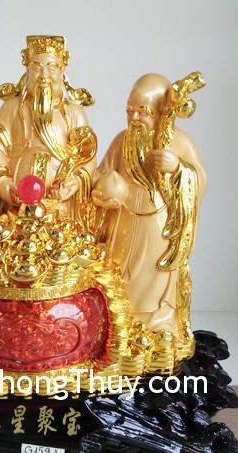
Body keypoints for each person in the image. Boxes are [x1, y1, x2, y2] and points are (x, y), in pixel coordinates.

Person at [92, 73, 207, 340]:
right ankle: (117, 323)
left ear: (159, 112)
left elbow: (199, 179)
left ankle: (158, 324)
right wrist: (105, 188)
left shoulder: (179, 142)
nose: (134, 118)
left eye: (142, 112)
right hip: (122, 223)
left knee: (154, 276)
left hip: (158, 228)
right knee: (119, 275)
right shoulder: (121, 141)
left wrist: (178, 168)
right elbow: (100, 174)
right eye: (129, 111)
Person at [0, 35, 97, 223]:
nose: (44, 76)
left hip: (60, 208)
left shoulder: (73, 113)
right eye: (36, 68)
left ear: (61, 70)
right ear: (27, 70)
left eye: (51, 68)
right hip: (17, 207)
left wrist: (74, 183)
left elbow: (86, 157)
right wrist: (3, 184)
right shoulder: (11, 108)